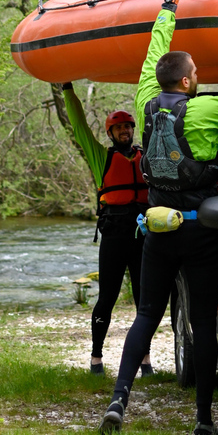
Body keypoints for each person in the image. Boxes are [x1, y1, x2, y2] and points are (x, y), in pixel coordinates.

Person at [99, 0, 218, 435]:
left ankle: (119, 398)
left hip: (156, 230)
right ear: (185, 80)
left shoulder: (142, 100)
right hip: (199, 234)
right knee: (200, 319)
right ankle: (202, 421)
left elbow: (155, 49)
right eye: (195, 70)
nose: (198, 74)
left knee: (145, 316)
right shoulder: (204, 111)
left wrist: (169, 4)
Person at [61, 83, 153, 376]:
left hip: (142, 236)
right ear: (110, 134)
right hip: (114, 235)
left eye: (128, 127)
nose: (125, 131)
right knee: (107, 297)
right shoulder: (101, 156)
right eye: (119, 128)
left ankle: (145, 358)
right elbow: (79, 127)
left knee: (144, 299)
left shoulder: (147, 156)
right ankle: (97, 356)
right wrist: (67, 90)